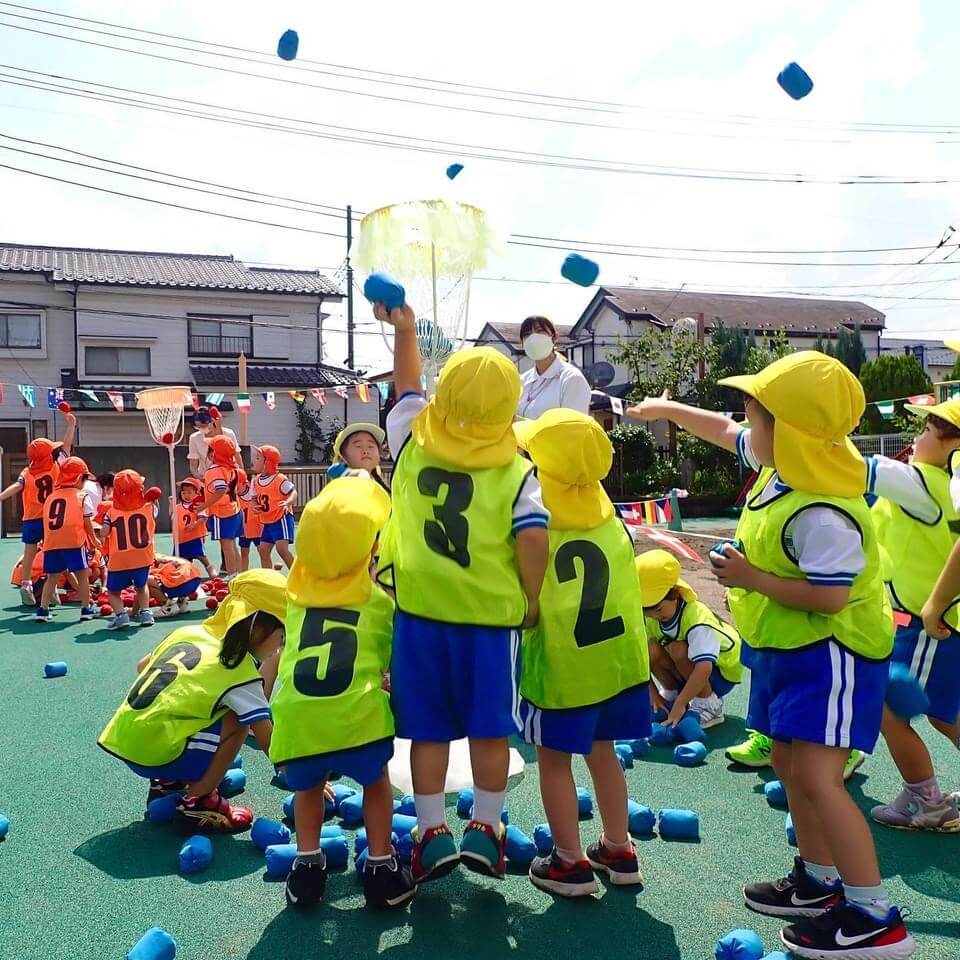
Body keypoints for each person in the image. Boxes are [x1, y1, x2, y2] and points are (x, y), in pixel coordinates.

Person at [628, 352, 915, 960]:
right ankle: (817, 880)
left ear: (788, 430)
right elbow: (721, 429)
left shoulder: (821, 507)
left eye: (755, 417)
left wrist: (753, 577)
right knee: (788, 766)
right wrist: (666, 410)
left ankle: (872, 913)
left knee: (817, 776)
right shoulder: (778, 469)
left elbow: (832, 598)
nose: (743, 427)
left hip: (831, 654)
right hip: (788, 650)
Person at [376, 300, 549, 883]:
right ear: (511, 406)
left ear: (442, 397)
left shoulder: (410, 439)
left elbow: (405, 386)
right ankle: (487, 827)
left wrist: (403, 329)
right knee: (487, 726)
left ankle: (429, 831)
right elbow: (533, 537)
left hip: (420, 614)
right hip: (488, 621)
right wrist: (531, 597)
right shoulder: (515, 468)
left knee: (426, 731)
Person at [514, 409, 649, 897]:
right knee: (603, 751)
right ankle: (619, 845)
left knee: (553, 761)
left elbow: (527, 604)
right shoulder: (610, 517)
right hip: (617, 663)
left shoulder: (535, 522)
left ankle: (569, 862)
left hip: (563, 668)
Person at [271, 477, 416, 910]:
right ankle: (380, 865)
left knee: (309, 789)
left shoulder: (296, 602)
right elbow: (392, 665)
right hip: (358, 721)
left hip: (299, 723)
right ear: (370, 550)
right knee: (375, 783)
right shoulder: (378, 602)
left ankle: (307, 864)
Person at [97, 570, 288, 832]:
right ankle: (198, 802)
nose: (280, 647)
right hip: (158, 751)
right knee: (240, 720)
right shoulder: (237, 667)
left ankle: (167, 783)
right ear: (258, 628)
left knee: (198, 710)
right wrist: (305, 779)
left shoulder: (188, 632)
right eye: (281, 636)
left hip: (125, 739)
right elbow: (268, 739)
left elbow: (143, 666)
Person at [867, 399, 960, 832]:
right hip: (938, 623)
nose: (915, 439)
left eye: (926, 431)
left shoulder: (923, 485)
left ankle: (927, 801)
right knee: (945, 713)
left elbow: (863, 467)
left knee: (889, 709)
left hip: (928, 625)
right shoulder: (944, 487)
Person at [637, 549, 742, 730]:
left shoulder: (696, 617)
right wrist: (653, 694)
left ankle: (708, 704)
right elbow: (639, 660)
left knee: (677, 649)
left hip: (720, 673)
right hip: (688, 669)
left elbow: (704, 667)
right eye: (647, 610)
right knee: (650, 648)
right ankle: (672, 694)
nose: (653, 615)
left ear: (675, 594)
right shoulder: (651, 617)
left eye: (659, 609)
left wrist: (679, 706)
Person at [0, 413, 75, 605]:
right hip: (52, 518)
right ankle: (52, 584)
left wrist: (0, 497)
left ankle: (26, 584)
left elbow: (16, 487)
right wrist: (71, 425)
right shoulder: (56, 466)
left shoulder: (27, 472)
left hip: (31, 517)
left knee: (30, 551)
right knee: (53, 551)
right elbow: (66, 446)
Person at [35, 456, 99, 624]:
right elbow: (87, 522)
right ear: (79, 478)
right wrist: (93, 540)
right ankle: (86, 608)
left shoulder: (51, 497)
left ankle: (43, 609)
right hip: (74, 542)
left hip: (52, 543)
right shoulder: (81, 496)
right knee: (82, 575)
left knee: (52, 577)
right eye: (84, 478)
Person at [102, 470, 160, 630]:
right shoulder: (148, 508)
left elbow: (104, 533)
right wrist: (151, 498)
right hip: (142, 556)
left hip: (120, 559)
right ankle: (146, 613)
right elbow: (156, 507)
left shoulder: (111, 512)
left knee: (113, 592)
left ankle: (121, 615)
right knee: (141, 587)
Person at [517, 316, 591, 419]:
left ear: (555, 337)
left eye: (540, 331)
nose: (533, 338)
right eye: (527, 334)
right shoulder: (521, 381)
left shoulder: (571, 379)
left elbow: (573, 428)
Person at [246, 445, 297, 571]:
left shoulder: (279, 479)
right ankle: (268, 578)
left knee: (282, 549)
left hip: (281, 518)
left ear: (267, 463)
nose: (254, 461)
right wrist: (254, 507)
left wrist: (288, 503)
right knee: (263, 550)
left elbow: (293, 492)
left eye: (258, 458)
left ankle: (299, 575)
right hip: (267, 520)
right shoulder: (255, 481)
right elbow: (252, 498)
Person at [201, 435, 245, 577]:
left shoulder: (215, 470)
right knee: (232, 545)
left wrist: (203, 506)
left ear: (214, 453)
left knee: (227, 546)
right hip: (235, 509)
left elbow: (220, 490)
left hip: (222, 512)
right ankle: (238, 575)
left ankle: (233, 577)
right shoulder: (232, 468)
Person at [328, 423, 390, 491]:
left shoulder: (382, 490)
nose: (366, 451)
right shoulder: (341, 490)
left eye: (370, 446)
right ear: (341, 457)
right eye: (358, 446)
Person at [172, 478, 214, 578]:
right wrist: (171, 504)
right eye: (184, 493)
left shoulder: (198, 505)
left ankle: (209, 568)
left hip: (194, 536)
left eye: (189, 493)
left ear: (197, 493)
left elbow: (203, 518)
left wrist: (194, 524)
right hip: (181, 538)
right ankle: (187, 574)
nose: (186, 495)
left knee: (200, 555)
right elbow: (173, 517)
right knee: (181, 558)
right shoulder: (177, 506)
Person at [187, 406, 240, 478]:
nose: (201, 429)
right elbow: (193, 462)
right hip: (205, 475)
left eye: (204, 426)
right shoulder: (194, 438)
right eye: (198, 427)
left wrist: (241, 474)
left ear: (212, 421)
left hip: (227, 475)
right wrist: (198, 477)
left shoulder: (228, 434)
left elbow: (237, 456)